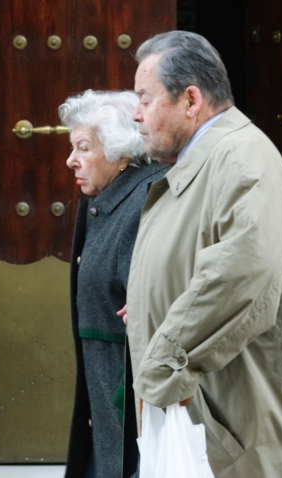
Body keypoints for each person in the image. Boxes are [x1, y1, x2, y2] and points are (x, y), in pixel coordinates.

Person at [125, 31, 282, 477]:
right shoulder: (207, 157)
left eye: (145, 99)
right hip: (223, 417)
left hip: (248, 428)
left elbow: (244, 272)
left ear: (191, 100)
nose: (136, 115)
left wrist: (165, 361)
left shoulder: (241, 158)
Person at [59, 90, 169, 478]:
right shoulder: (106, 198)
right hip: (107, 387)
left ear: (121, 153)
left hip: (130, 392)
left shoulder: (145, 200)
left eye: (83, 147)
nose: (71, 159)